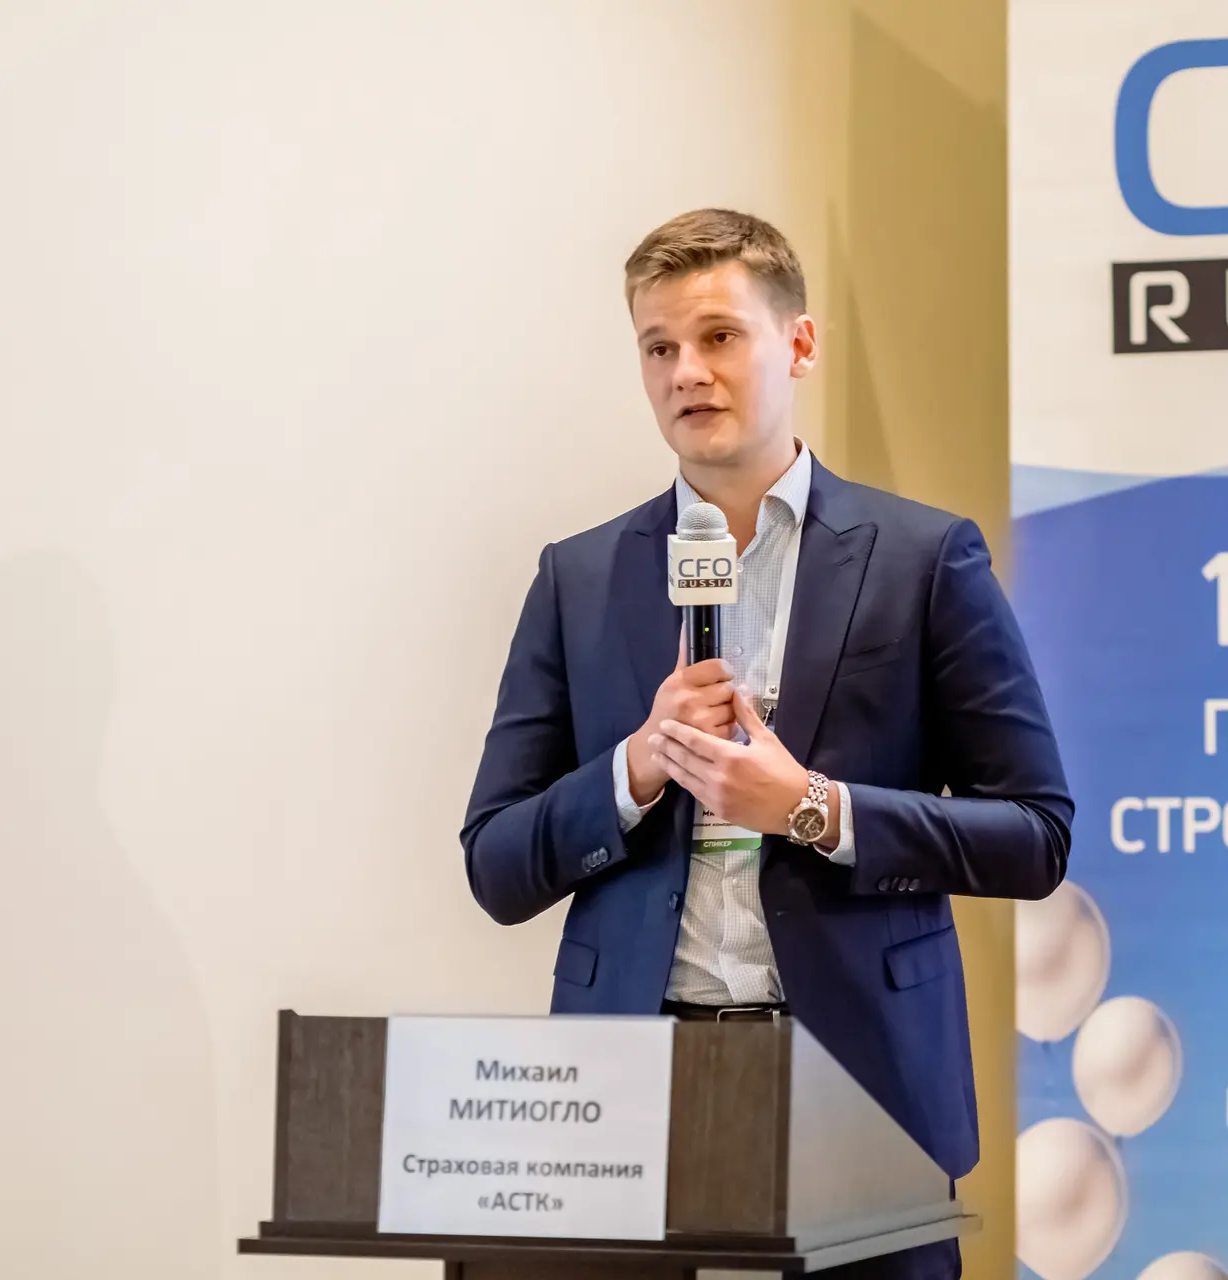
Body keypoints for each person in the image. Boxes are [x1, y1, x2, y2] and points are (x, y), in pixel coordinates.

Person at [461, 208, 1072, 1280]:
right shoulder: (579, 576)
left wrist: (813, 808)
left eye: (718, 337)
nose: (686, 372)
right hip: (629, 1099)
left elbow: (1035, 835)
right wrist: (636, 767)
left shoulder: (923, 558)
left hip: (859, 1091)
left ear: (799, 344)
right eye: (658, 347)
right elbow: (496, 863)